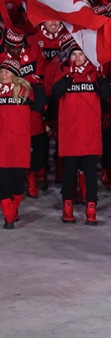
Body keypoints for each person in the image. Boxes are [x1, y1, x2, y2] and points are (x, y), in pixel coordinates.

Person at [51, 37, 111, 225]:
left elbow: (106, 94)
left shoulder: (94, 73)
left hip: (90, 133)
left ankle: (91, 209)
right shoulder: (62, 72)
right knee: (69, 173)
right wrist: (69, 76)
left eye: (81, 54)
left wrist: (101, 78)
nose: (77, 58)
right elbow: (54, 92)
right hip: (70, 133)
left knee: (90, 174)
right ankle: (67, 208)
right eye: (74, 54)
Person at [0, 59, 46, 229]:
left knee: (18, 182)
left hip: (19, 143)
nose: (3, 75)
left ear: (15, 74)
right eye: (1, 72)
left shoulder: (25, 91)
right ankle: (8, 216)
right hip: (1, 143)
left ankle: (14, 207)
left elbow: (39, 107)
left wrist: (39, 86)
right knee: (3, 181)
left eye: (6, 72)